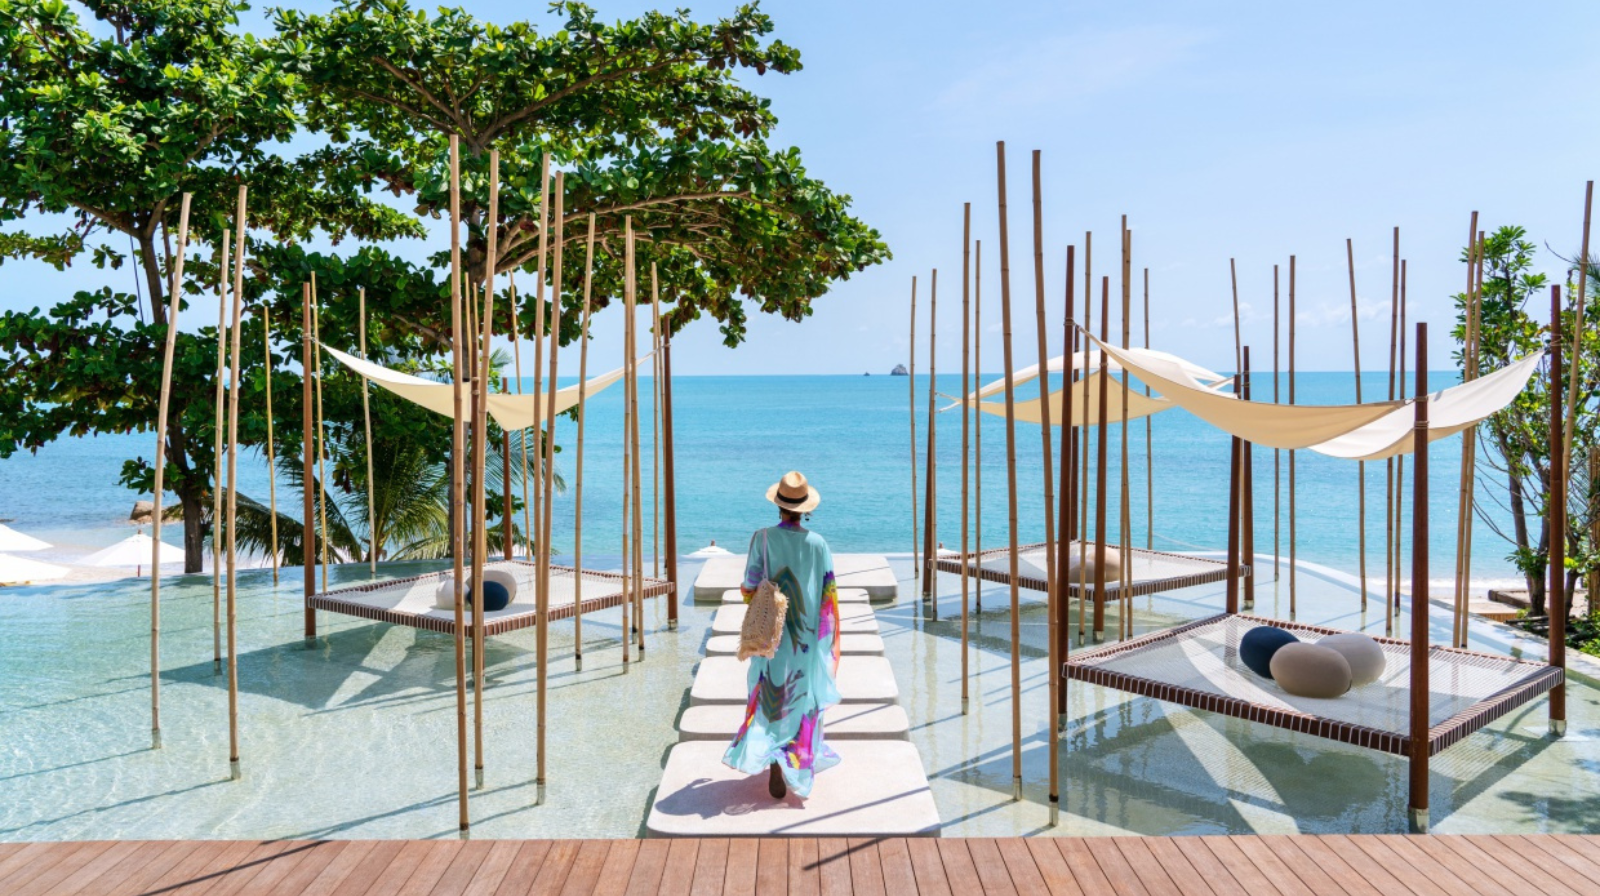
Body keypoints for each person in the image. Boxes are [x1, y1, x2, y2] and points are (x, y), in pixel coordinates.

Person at [722, 470, 842, 799]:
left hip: (769, 640)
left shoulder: (762, 538)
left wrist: (761, 597)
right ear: (806, 509)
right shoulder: (818, 545)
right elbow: (828, 599)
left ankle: (772, 759)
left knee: (768, 698)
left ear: (779, 506)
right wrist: (826, 644)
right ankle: (792, 762)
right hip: (804, 642)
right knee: (800, 698)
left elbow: (749, 587)